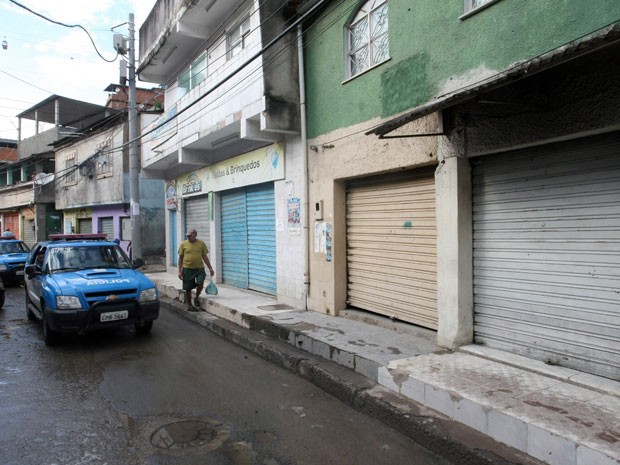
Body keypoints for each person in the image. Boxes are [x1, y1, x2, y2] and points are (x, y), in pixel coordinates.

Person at [177, 229, 214, 311]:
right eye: (187, 236)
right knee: (188, 288)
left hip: (199, 268)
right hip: (187, 269)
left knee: (200, 283)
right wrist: (179, 271)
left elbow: (205, 257)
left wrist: (210, 268)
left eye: (190, 236)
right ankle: (190, 306)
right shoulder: (183, 244)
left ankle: (196, 297)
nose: (188, 237)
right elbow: (180, 258)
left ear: (195, 235)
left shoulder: (201, 243)